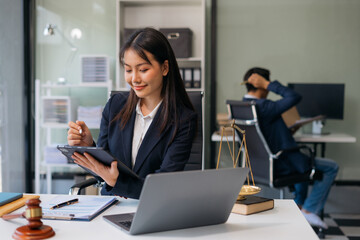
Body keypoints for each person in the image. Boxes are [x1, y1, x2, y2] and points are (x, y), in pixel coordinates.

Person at [67, 28, 197, 199]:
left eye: (142, 70)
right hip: (110, 205)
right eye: (128, 70)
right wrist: (89, 145)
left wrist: (117, 182)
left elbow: (162, 186)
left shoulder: (183, 120)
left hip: (152, 209)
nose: (134, 79)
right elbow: (103, 174)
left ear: (165, 68)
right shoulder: (115, 106)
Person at [242, 67, 338, 229]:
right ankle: (309, 210)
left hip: (261, 166)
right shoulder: (265, 106)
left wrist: (286, 131)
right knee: (331, 167)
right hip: (282, 162)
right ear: (260, 84)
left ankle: (298, 208)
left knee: (302, 165)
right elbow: (294, 96)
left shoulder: (245, 106)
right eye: (267, 83)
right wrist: (268, 83)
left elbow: (264, 134)